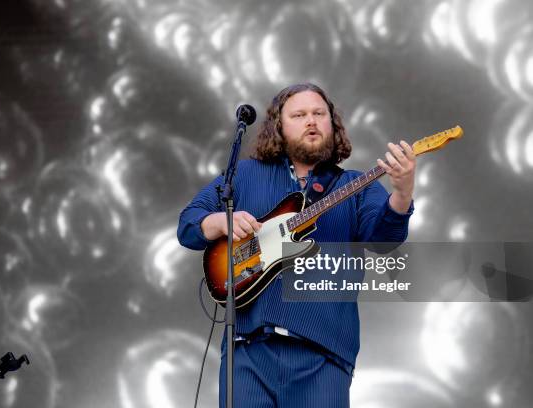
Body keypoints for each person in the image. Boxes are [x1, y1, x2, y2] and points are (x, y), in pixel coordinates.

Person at [177, 83, 415, 408]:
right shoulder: (246, 175)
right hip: (246, 350)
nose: (311, 121)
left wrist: (401, 194)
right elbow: (189, 223)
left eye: (319, 114)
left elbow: (386, 239)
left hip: (323, 356)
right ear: (280, 126)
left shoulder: (356, 186)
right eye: (299, 115)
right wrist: (220, 222)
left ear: (333, 124)